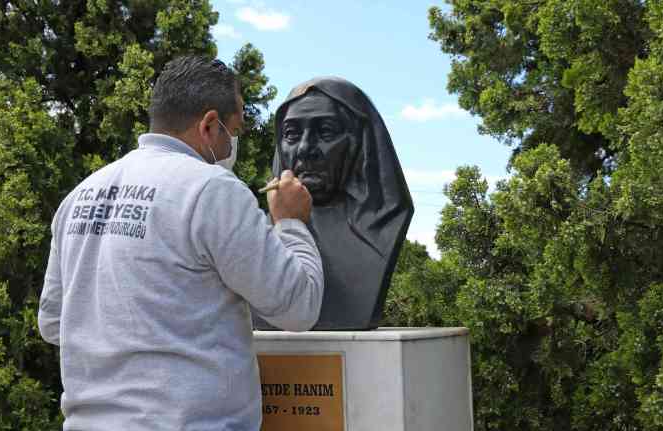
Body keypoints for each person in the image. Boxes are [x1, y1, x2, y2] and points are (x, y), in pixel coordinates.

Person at [37, 56, 324, 431]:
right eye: (232, 130)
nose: (232, 145)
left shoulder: (80, 196)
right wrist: (290, 222)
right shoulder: (212, 191)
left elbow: (54, 322)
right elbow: (298, 306)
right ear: (208, 125)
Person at [255, 77, 413, 330]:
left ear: (361, 142)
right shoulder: (254, 237)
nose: (305, 149)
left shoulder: (382, 226)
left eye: (326, 132)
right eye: (291, 134)